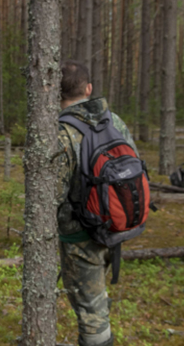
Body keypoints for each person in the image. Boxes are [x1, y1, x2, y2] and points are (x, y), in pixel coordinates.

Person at [56, 60, 137, 346]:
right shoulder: (114, 121)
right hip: (115, 223)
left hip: (81, 234)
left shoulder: (61, 132)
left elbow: (53, 195)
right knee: (94, 294)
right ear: (89, 88)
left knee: (90, 312)